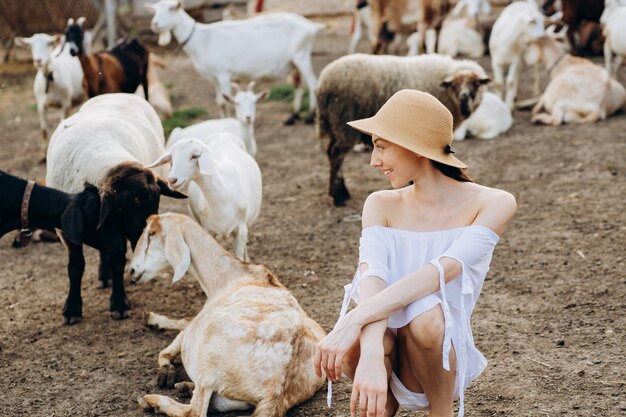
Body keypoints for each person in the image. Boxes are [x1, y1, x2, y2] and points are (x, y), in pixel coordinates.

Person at [314, 89, 516, 417]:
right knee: (356, 340)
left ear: (414, 146)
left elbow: (439, 273)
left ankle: (442, 413)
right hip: (382, 342)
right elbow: (373, 277)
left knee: (425, 313)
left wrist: (353, 319)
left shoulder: (494, 203)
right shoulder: (379, 203)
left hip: (436, 350)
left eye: (381, 147)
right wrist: (368, 353)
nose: (373, 160)